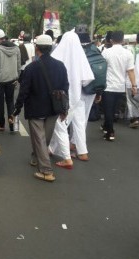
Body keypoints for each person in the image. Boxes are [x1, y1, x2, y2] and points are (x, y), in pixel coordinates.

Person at [12, 34, 69, 182]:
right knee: (45, 138)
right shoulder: (60, 65)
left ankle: (46, 171)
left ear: (37, 49)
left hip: (36, 108)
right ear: (50, 48)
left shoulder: (31, 68)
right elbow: (65, 88)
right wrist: (64, 109)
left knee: (39, 139)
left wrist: (17, 108)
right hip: (53, 108)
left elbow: (24, 90)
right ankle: (36, 158)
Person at [48, 31, 94, 167]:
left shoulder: (56, 55)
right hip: (77, 96)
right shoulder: (81, 56)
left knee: (59, 124)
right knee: (80, 125)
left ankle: (65, 156)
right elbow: (88, 78)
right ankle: (82, 152)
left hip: (60, 97)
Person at [101, 30, 137, 141]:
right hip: (120, 86)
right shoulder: (128, 53)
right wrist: (134, 86)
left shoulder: (106, 52)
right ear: (122, 40)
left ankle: (110, 132)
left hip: (108, 85)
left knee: (108, 109)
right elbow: (130, 71)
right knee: (113, 109)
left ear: (111, 40)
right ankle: (107, 128)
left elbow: (102, 69)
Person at [0, 28, 21, 132]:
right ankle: (12, 126)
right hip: (12, 79)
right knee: (10, 102)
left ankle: (1, 125)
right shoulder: (16, 48)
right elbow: (19, 64)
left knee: (0, 103)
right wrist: (17, 77)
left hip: (0, 80)